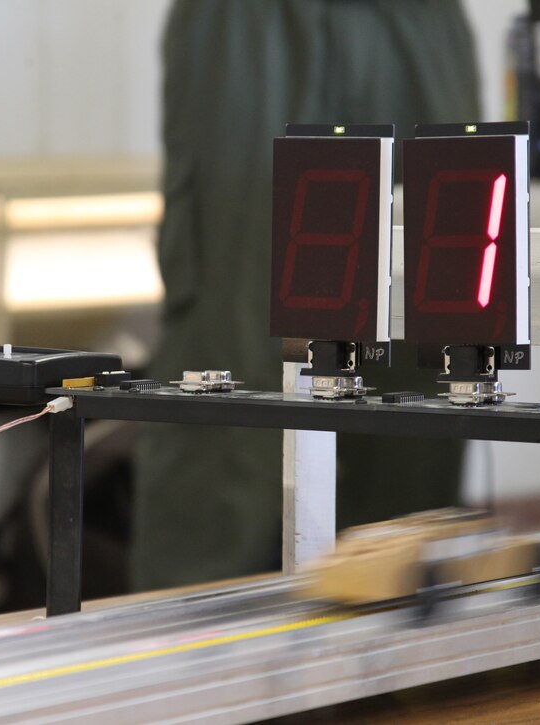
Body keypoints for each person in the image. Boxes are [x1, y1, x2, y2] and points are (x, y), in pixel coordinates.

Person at [131, 0, 482, 591]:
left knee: (423, 361)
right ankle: (196, 640)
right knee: (229, 392)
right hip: (252, 23)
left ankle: (396, 629)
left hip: (415, 20)